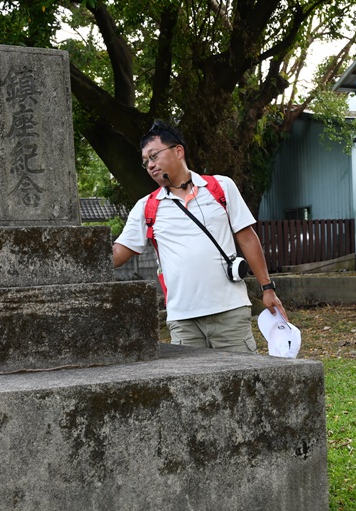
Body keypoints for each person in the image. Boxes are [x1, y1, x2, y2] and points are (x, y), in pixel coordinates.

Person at [113, 121, 286, 353]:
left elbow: (247, 238)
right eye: (146, 162)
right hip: (183, 320)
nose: (150, 165)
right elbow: (118, 254)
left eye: (154, 156)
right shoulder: (146, 207)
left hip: (230, 311)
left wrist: (268, 288)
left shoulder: (221, 187)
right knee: (191, 388)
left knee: (241, 383)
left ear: (178, 150)